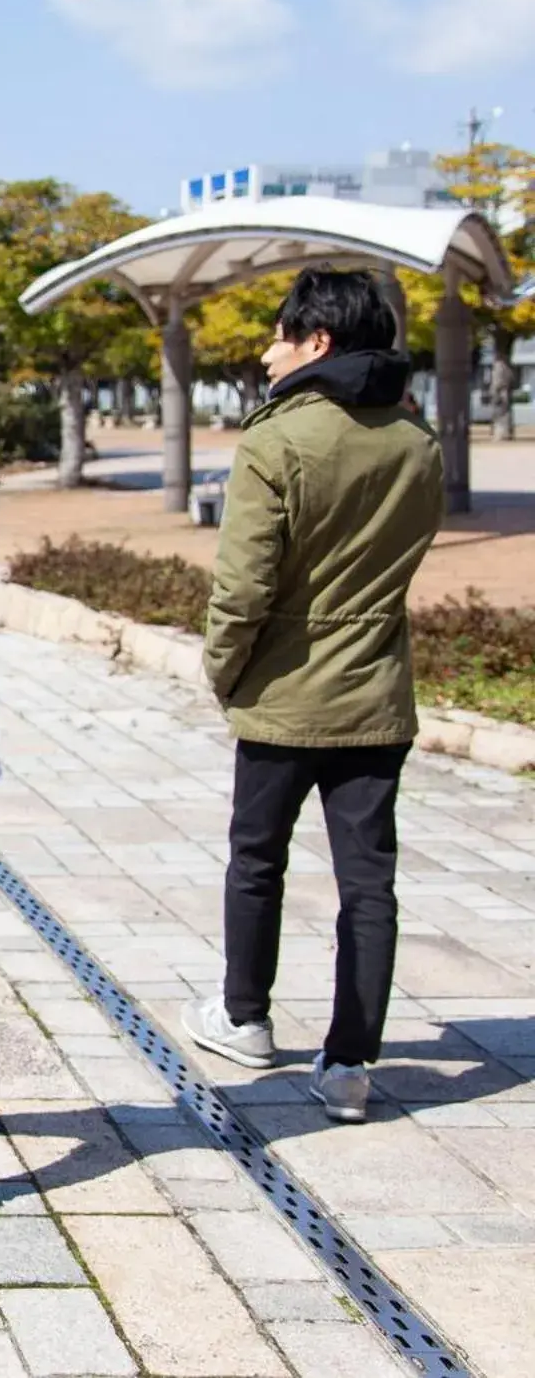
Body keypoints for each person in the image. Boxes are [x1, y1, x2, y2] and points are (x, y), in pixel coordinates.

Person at [184, 267, 443, 1124]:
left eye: (280, 336)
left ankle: (245, 1017)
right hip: (377, 692)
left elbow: (244, 587)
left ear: (318, 343)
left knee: (258, 859)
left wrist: (223, 669)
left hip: (284, 697)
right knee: (370, 882)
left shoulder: (275, 441)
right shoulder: (416, 442)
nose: (266, 353)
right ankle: (349, 1063)